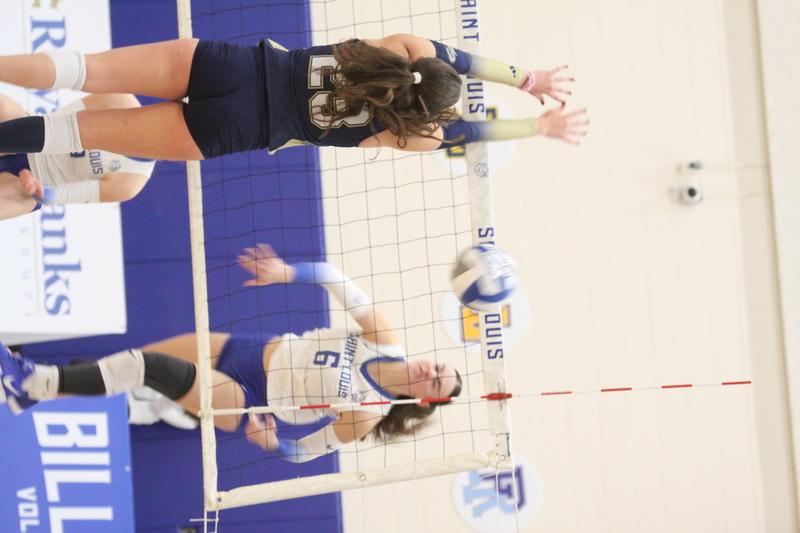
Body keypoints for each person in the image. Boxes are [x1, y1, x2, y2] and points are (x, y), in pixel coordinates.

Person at [0, 244, 462, 463]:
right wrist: (285, 272)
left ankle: (34, 382)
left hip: (247, 400)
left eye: (436, 381)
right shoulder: (383, 338)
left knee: (145, 368)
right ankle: (29, 392)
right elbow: (333, 277)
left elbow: (304, 452)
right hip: (246, 348)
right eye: (438, 366)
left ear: (425, 401)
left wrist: (274, 444)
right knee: (122, 364)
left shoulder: (367, 414)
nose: (430, 370)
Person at [0, 35, 587, 162]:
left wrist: (526, 78)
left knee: (87, 69)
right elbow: (463, 134)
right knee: (77, 134)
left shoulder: (402, 49)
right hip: (237, 128)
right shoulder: (413, 135)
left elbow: (457, 60)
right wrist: (536, 128)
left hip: (233, 65)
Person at [0, 93, 156, 221]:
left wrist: (38, 189)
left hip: (34, 183)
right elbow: (55, 124)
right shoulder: (121, 102)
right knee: (3, 107)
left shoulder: (130, 184)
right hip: (30, 134)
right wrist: (15, 140)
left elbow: (58, 196)